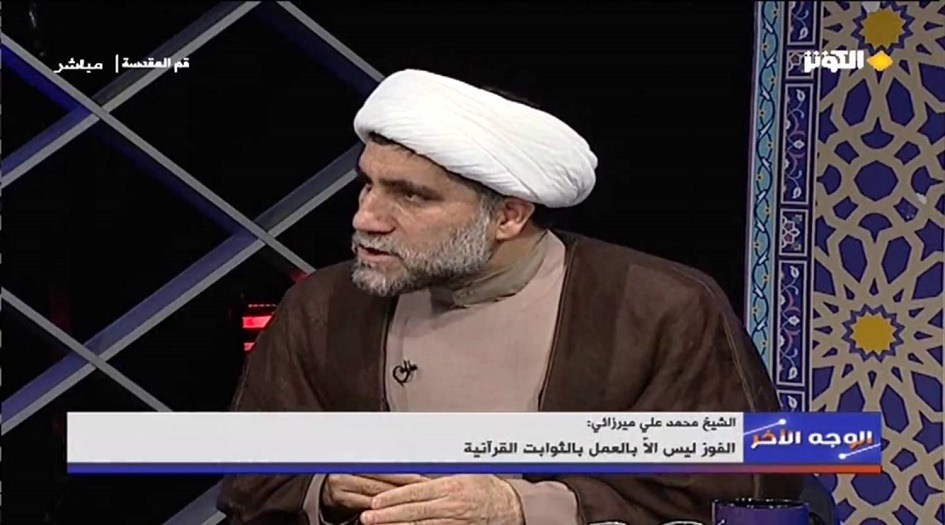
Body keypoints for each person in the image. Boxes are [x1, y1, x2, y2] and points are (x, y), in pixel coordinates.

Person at [217, 69, 801, 525]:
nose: (366, 217)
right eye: (367, 185)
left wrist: (520, 509)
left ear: (509, 217)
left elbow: (740, 488)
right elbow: (250, 478)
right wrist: (326, 489)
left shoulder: (661, 308)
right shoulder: (321, 306)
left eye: (410, 196)